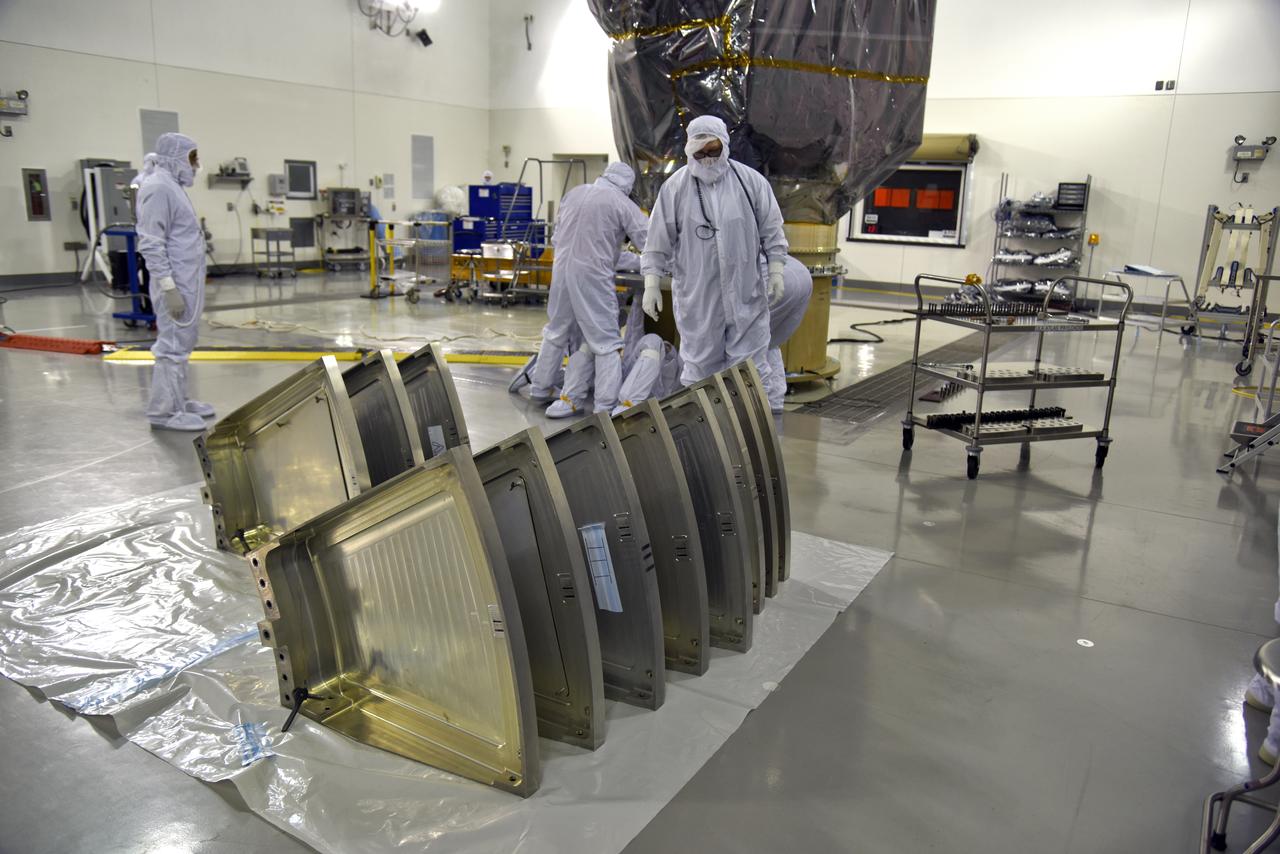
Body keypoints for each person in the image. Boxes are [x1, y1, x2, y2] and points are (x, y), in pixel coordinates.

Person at [641, 114, 788, 389]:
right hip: (699, 300)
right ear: (689, 150)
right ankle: (707, 418)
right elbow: (656, 243)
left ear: (725, 145)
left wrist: (777, 270)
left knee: (750, 373)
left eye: (713, 150)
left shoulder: (751, 183)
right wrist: (651, 284)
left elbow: (772, 230)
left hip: (746, 295)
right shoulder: (675, 188)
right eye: (700, 153)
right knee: (699, 372)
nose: (707, 158)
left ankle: (748, 418)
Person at [524, 162, 649, 416]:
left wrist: (629, 260)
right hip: (592, 279)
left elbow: (573, 242)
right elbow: (650, 241)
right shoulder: (621, 203)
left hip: (562, 271)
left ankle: (540, 388)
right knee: (605, 341)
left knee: (556, 331)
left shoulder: (575, 193)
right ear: (627, 185)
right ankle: (604, 405)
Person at [133, 132, 211, 431]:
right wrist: (169, 288)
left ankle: (179, 400)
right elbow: (151, 242)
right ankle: (164, 412)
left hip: (186, 280)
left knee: (182, 342)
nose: (196, 165)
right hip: (175, 283)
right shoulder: (158, 187)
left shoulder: (171, 186)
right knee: (172, 346)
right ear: (176, 157)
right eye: (192, 159)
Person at [764, 255, 813, 412]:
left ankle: (760, 408)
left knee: (748, 346)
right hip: (799, 273)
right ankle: (774, 407)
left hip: (770, 279)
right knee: (769, 343)